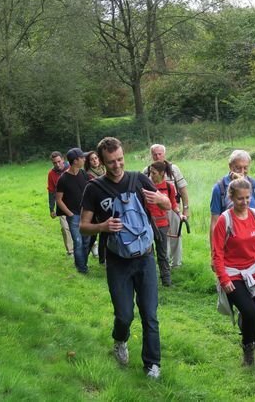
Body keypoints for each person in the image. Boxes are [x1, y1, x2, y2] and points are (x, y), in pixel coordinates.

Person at [80, 137, 171, 379]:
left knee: (150, 313)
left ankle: (152, 364)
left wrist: (161, 200)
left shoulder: (138, 179)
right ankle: (120, 340)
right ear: (102, 163)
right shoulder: (94, 188)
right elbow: (83, 227)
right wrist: (103, 226)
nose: (117, 165)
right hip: (118, 262)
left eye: (120, 159)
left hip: (145, 257)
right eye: (111, 162)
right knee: (124, 315)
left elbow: (167, 206)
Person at [212, 177, 255, 372]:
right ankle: (247, 347)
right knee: (250, 313)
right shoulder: (225, 219)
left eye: (248, 197)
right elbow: (217, 252)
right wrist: (223, 279)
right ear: (231, 198)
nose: (245, 202)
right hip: (233, 273)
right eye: (240, 198)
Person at [209, 150, 255, 264]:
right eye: (238, 167)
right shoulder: (220, 188)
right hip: (232, 244)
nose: (242, 172)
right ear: (230, 166)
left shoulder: (254, 185)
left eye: (245, 168)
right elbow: (214, 222)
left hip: (254, 242)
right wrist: (213, 254)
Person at [143, 144, 189, 268]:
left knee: (175, 234)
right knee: (161, 237)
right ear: (151, 155)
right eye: (154, 154)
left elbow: (183, 188)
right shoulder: (147, 170)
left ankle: (176, 263)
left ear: (164, 154)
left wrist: (185, 208)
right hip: (154, 210)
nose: (157, 156)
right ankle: (164, 263)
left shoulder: (173, 169)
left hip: (173, 207)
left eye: (160, 154)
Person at [147, 161, 184, 287]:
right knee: (147, 254)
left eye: (154, 173)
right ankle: (149, 280)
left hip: (162, 224)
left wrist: (180, 214)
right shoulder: (146, 185)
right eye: (150, 172)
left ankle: (166, 281)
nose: (151, 175)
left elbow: (173, 204)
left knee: (162, 254)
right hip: (147, 224)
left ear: (162, 173)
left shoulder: (169, 187)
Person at [56, 148, 91, 274]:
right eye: (82, 157)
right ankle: (81, 268)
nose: (84, 159)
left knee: (87, 241)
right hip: (74, 216)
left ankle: (83, 263)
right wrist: (70, 213)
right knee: (78, 241)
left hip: (86, 215)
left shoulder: (84, 174)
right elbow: (58, 199)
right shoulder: (63, 179)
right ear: (75, 161)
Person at [47, 151, 73, 256]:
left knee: (80, 225)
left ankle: (92, 246)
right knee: (65, 227)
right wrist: (51, 209)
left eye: (59, 161)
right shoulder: (51, 174)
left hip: (75, 202)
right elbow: (51, 191)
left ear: (63, 159)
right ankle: (70, 251)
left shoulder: (71, 167)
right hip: (61, 203)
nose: (57, 164)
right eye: (54, 163)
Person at [84, 151, 106, 262]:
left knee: (104, 234)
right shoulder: (88, 174)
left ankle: (102, 258)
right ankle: (83, 258)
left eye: (96, 158)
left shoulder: (104, 170)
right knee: (92, 236)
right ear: (89, 162)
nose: (95, 160)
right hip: (94, 207)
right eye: (92, 159)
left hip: (105, 205)